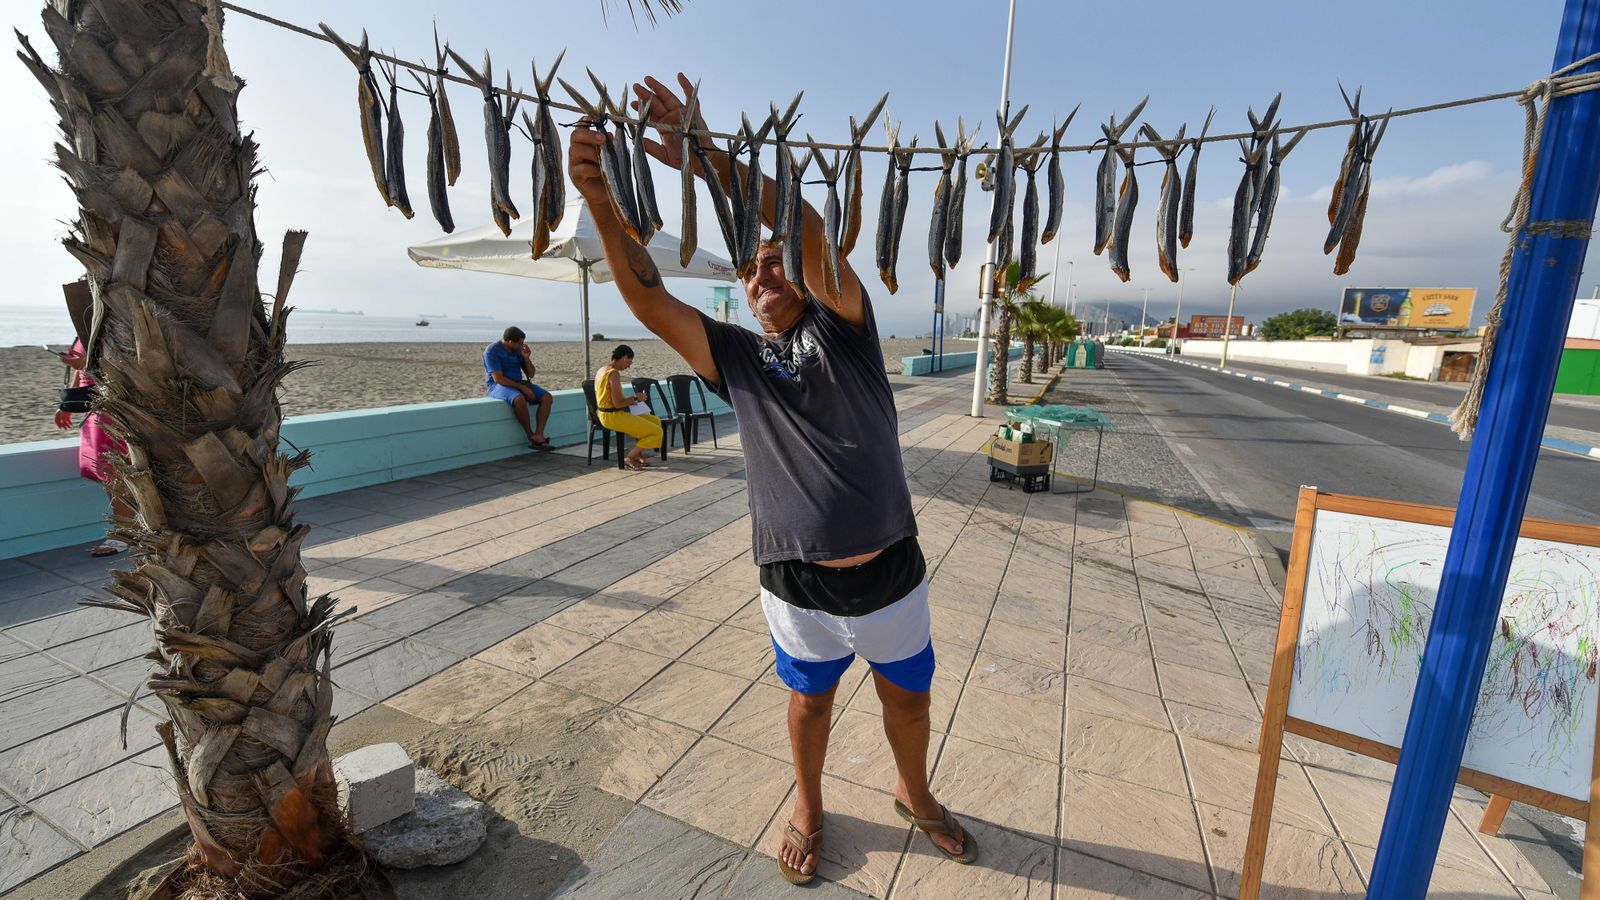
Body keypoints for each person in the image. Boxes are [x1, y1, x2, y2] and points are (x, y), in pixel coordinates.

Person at [570, 74, 974, 885]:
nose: (764, 276)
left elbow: (809, 230)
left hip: (891, 572)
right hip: (794, 582)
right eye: (752, 271)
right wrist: (601, 202)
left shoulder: (847, 328)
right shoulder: (738, 358)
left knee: (909, 700)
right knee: (809, 702)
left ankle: (914, 790)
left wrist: (708, 157)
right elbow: (651, 301)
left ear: (807, 276)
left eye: (778, 264)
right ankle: (809, 804)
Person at [54, 339, 132, 557]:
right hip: (92, 409)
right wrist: (68, 404)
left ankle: (124, 533)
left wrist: (86, 363)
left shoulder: (108, 325)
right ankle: (127, 527)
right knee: (101, 470)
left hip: (111, 406)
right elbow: (80, 373)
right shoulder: (81, 331)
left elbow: (124, 367)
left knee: (112, 471)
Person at [594, 345, 666, 470]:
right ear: (624, 358)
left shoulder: (602, 370)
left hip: (605, 413)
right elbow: (618, 404)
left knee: (655, 421)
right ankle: (630, 457)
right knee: (657, 432)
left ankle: (638, 454)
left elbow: (609, 399)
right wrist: (637, 398)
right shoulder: (614, 374)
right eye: (630, 362)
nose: (629, 366)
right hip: (612, 416)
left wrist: (632, 401)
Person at [483, 326, 553, 450]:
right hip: (498, 385)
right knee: (519, 399)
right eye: (520, 343)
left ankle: (539, 435)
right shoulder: (492, 351)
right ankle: (531, 436)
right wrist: (523, 388)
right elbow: (498, 379)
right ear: (510, 342)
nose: (522, 345)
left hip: (518, 383)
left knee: (547, 397)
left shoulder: (517, 351)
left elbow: (531, 374)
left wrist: (526, 358)